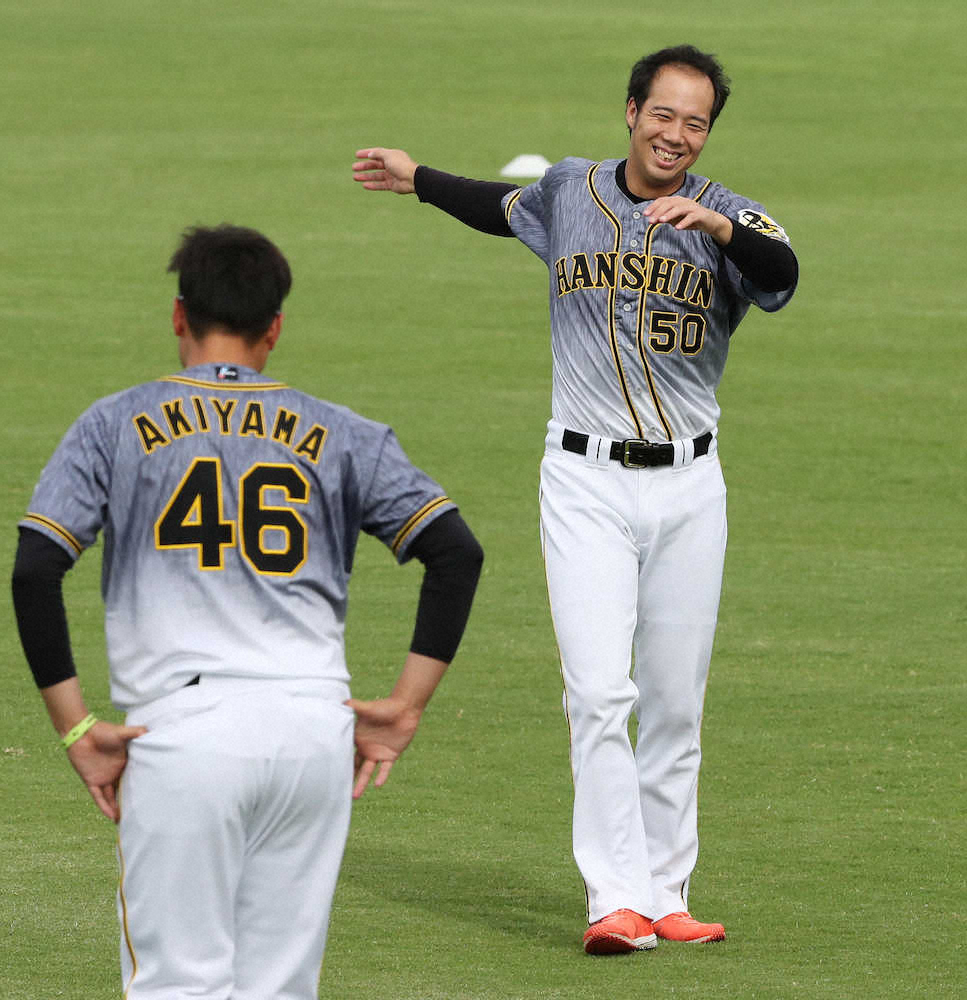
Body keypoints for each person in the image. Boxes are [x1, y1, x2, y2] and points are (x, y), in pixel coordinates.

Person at [352, 44, 797, 954]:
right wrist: (418, 178)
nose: (675, 134)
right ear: (630, 111)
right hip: (584, 480)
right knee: (598, 692)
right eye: (662, 114)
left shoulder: (728, 214)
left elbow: (781, 275)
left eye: (695, 122)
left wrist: (714, 233)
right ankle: (614, 900)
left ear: (706, 132)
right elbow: (496, 205)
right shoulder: (569, 192)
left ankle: (667, 892)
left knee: (674, 701)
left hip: (689, 485)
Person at [11, 224, 483, 997]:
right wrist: (403, 706)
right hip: (311, 737)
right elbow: (455, 552)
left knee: (177, 985)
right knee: (278, 988)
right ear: (274, 327)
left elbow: (36, 569)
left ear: (177, 316)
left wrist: (76, 728)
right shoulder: (342, 433)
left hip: (184, 737)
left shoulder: (112, 424)